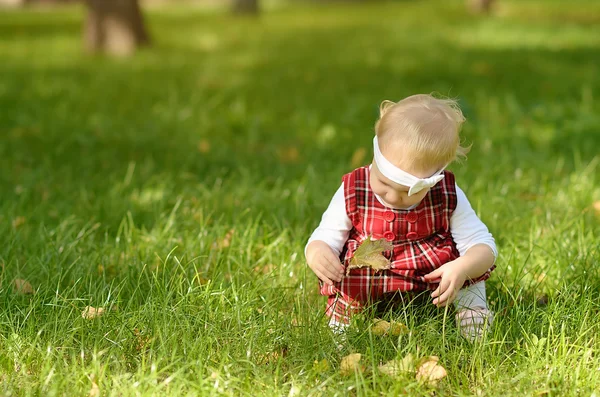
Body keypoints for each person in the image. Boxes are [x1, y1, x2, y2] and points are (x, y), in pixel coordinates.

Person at [305, 94, 497, 340]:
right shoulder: (354, 188)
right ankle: (341, 330)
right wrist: (318, 252)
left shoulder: (447, 194)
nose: (394, 197)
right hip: (372, 276)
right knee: (348, 278)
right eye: (384, 182)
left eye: (410, 192)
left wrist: (462, 267)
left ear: (436, 177)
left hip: (431, 276)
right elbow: (326, 235)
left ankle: (472, 316)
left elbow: (483, 246)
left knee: (468, 270)